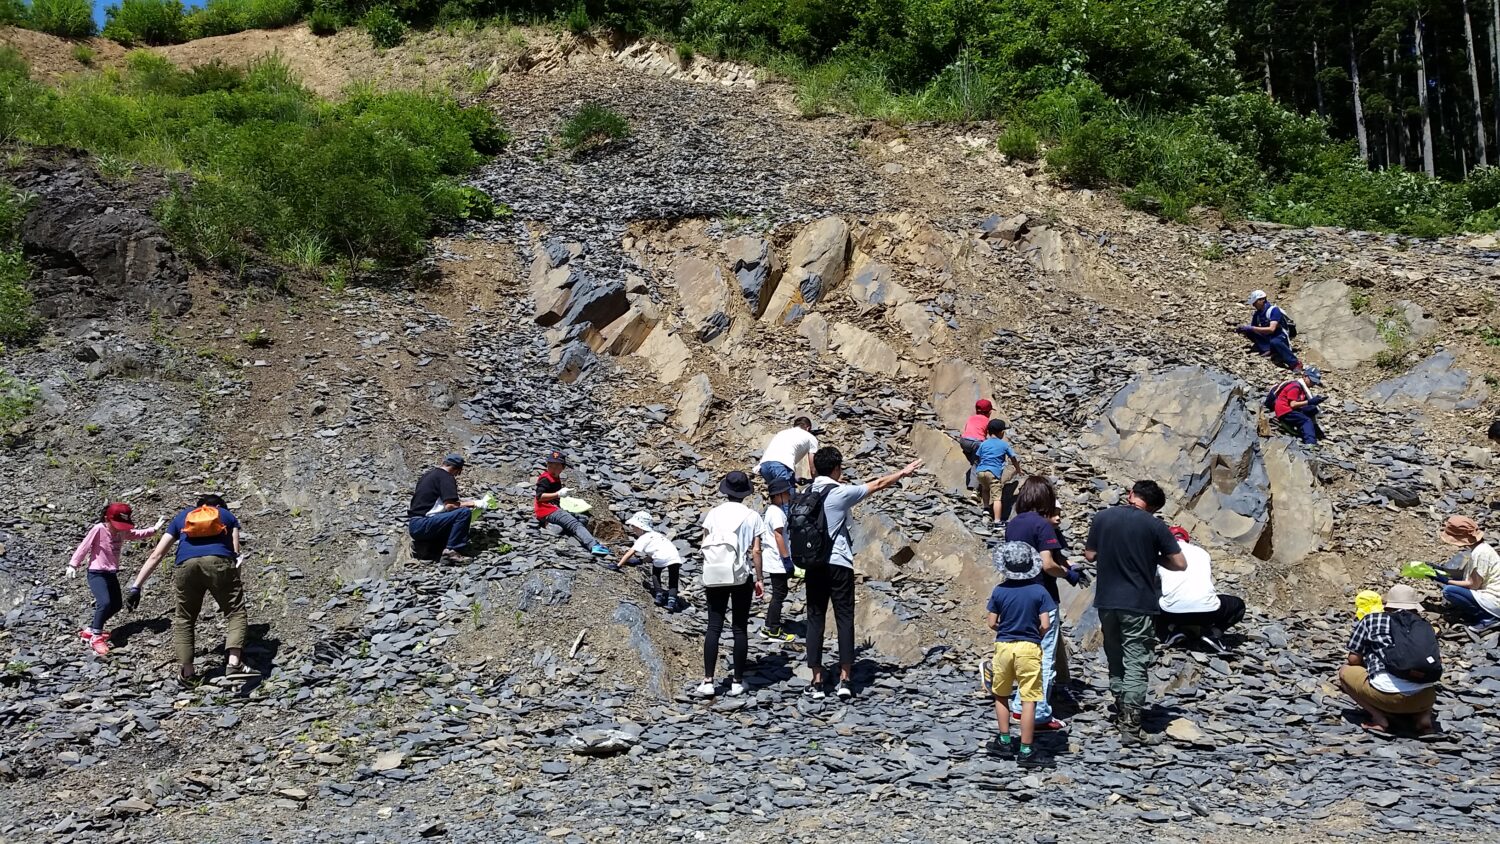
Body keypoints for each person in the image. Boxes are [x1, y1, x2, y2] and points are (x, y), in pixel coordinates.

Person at [802, 447, 923, 700]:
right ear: (836, 469)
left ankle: (817, 680)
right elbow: (877, 484)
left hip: (812, 564)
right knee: (844, 617)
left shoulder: (806, 493)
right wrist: (903, 472)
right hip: (838, 562)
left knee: (815, 618)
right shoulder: (840, 492)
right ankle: (845, 679)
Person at [1084, 480, 1187, 745]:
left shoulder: (1103, 517)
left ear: (1131, 494)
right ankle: (1131, 726)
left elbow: (1090, 555)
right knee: (1136, 661)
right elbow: (1179, 563)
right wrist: (1152, 556)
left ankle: (1121, 706)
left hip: (1106, 600)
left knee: (1115, 656)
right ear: (1153, 507)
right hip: (1138, 603)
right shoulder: (1154, 525)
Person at [128, 495, 253, 684]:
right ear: (220, 506)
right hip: (219, 562)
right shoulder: (227, 515)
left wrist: (136, 586)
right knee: (235, 612)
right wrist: (234, 579)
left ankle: (187, 673)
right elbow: (236, 553)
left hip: (185, 566)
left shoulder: (182, 517)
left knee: (184, 618)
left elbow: (157, 554)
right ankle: (234, 663)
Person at [1003, 477, 1080, 731]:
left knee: (1026, 652)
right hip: (1042, 595)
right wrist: (1068, 573)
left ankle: (1019, 706)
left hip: (1017, 594)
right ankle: (1038, 713)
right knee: (1043, 656)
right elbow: (1048, 565)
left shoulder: (1013, 524)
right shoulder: (1042, 525)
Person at [982, 542, 1057, 768]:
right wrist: (1035, 634)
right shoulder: (1039, 591)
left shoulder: (999, 590)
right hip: (1029, 647)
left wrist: (1005, 630)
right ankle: (1026, 750)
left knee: (1001, 694)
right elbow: (1046, 624)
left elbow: (991, 622)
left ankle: (1004, 741)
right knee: (1029, 699)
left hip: (1004, 646)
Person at [1338, 584, 1442, 738]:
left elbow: (1353, 660)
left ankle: (1379, 718)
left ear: (1388, 605)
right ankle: (1424, 718)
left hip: (1385, 697)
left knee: (1344, 671)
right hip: (1425, 698)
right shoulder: (1424, 626)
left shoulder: (1371, 620)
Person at [697, 471, 765, 697]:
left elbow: (704, 544)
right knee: (739, 628)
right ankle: (737, 681)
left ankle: (708, 681)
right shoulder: (752, 516)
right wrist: (760, 578)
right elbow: (756, 550)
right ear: (745, 493)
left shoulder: (713, 514)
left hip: (715, 574)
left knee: (713, 626)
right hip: (740, 575)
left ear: (725, 490)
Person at [66, 503, 163, 656]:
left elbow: (135, 534)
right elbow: (84, 547)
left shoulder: (122, 532)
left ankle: (91, 630)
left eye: (122, 526)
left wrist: (154, 530)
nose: (119, 529)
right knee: (104, 603)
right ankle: (96, 637)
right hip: (97, 573)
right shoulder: (99, 529)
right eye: (116, 525)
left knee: (116, 605)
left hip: (111, 573)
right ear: (107, 519)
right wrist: (73, 565)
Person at [1156, 526, 1246, 654]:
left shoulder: (1161, 554)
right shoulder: (1202, 553)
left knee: (1148, 598)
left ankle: (1168, 633)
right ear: (1187, 540)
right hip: (1208, 612)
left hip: (1172, 613)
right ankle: (1213, 634)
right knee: (1238, 605)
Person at [535, 450, 609, 557]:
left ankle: (553, 526)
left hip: (553, 508)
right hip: (546, 510)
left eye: (557, 465)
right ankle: (593, 545)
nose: (553, 467)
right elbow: (539, 497)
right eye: (551, 465)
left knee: (583, 519)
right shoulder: (545, 479)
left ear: (562, 467)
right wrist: (558, 494)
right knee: (575, 524)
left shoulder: (555, 477)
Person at [407, 454, 481, 561]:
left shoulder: (428, 476)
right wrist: (474, 503)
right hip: (424, 524)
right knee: (463, 513)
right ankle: (451, 551)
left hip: (415, 525)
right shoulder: (446, 477)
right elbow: (450, 505)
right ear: (458, 470)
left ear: (443, 463)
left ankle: (426, 548)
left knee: (449, 519)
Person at [1434, 515, 1500, 634]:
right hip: (1492, 596)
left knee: (1449, 591)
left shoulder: (1480, 553)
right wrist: (1439, 570)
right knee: (1453, 586)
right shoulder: (1481, 548)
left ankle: (1488, 617)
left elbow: (1473, 584)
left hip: (1494, 600)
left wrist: (1445, 580)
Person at [618, 511, 683, 611]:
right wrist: (642, 561)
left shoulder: (643, 538)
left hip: (661, 557)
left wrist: (619, 565)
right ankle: (672, 602)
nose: (632, 529)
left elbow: (631, 552)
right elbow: (656, 554)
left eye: (634, 526)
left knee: (656, 574)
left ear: (640, 527)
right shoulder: (657, 535)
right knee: (673, 579)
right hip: (675, 557)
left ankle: (659, 595)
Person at [760, 476, 796, 642]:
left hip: (774, 558)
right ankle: (773, 629)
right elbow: (778, 535)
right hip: (777, 559)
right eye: (786, 493)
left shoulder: (772, 510)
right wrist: (786, 559)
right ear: (778, 495)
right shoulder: (776, 513)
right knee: (779, 593)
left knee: (779, 592)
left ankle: (770, 624)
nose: (789, 495)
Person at [1238, 290, 1301, 370]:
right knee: (1249, 331)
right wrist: (1245, 329)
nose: (1253, 305)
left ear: (1262, 300)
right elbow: (1254, 327)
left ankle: (1295, 363)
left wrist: (1252, 328)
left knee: (1275, 342)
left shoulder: (1274, 310)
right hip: (1268, 336)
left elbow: (1272, 329)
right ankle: (1267, 348)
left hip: (1280, 335)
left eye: (1255, 302)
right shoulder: (1257, 314)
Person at [975, 419, 1024, 523]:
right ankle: (997, 521)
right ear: (1001, 432)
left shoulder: (984, 443)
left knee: (985, 489)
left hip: (980, 472)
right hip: (993, 473)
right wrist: (1018, 469)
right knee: (997, 498)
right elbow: (1013, 458)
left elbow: (978, 457)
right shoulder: (1004, 445)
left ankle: (986, 509)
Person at [754, 417, 819, 489]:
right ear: (808, 428)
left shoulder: (782, 433)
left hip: (764, 466)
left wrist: (794, 479)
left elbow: (782, 454)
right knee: (787, 494)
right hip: (781, 466)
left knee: (777, 493)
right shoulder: (810, 437)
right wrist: (817, 481)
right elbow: (812, 464)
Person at [1270, 370, 1326, 446]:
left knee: (1312, 409)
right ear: (1305, 376)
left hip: (1290, 410)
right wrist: (1310, 402)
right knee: (1306, 420)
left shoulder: (1303, 389)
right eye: (1312, 381)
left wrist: (1313, 402)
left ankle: (1314, 430)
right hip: (1285, 410)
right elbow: (1293, 404)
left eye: (1315, 382)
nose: (1313, 384)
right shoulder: (1295, 387)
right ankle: (1311, 443)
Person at [959, 399, 994, 489]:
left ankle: (971, 457)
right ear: (989, 412)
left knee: (970, 453)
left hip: (964, 441)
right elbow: (988, 435)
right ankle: (974, 486)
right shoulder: (987, 421)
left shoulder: (971, 418)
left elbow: (967, 429)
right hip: (976, 443)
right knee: (977, 463)